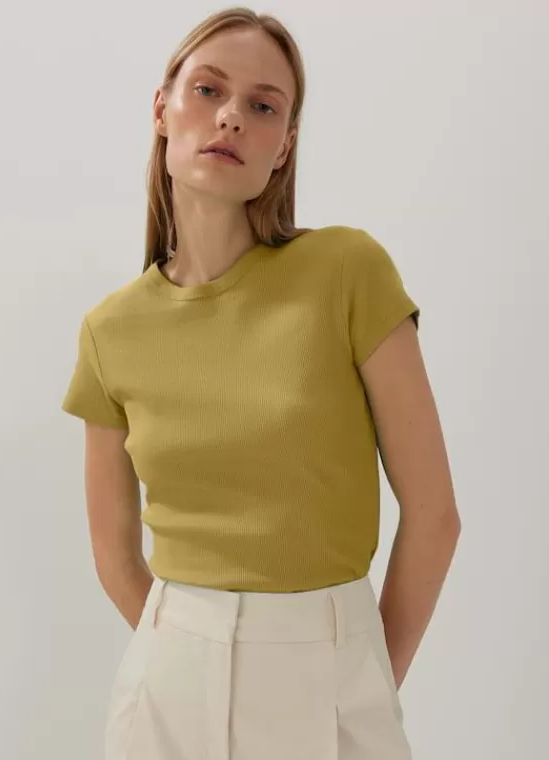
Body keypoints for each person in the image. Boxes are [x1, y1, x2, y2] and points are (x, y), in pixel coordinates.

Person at [61, 6, 461, 759]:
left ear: (285, 147)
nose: (232, 117)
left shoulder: (347, 272)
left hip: (328, 676)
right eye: (208, 90)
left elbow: (435, 515)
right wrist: (193, 654)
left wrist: (366, 678)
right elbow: (115, 557)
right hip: (167, 691)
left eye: (264, 105)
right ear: (162, 109)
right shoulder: (110, 330)